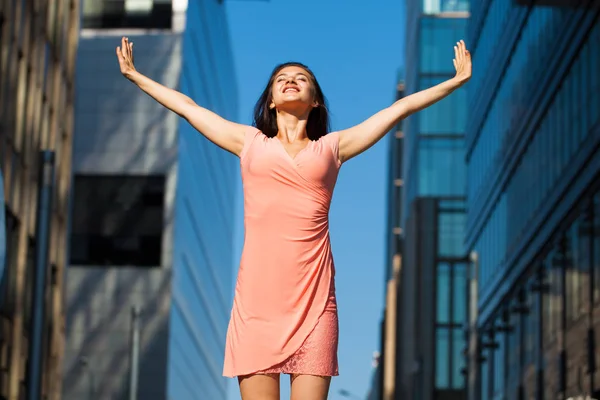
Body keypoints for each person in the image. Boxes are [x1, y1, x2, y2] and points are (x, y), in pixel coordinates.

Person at [116, 37, 471, 400]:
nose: (290, 80)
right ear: (271, 98)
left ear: (315, 100)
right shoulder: (249, 142)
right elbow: (189, 108)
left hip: (315, 304)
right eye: (282, 78)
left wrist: (453, 81)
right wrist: (135, 76)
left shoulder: (332, 148)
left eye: (301, 78)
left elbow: (398, 110)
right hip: (256, 306)